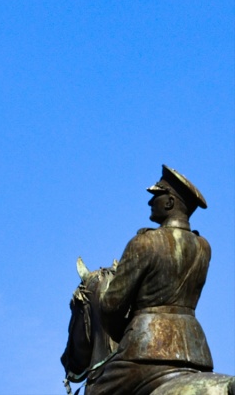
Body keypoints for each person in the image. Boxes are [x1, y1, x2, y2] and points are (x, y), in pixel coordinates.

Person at [86, 165, 214, 395]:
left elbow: (110, 306)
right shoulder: (204, 248)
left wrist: (123, 334)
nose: (149, 202)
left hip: (145, 349)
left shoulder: (145, 243)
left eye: (156, 195)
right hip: (196, 353)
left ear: (169, 202)